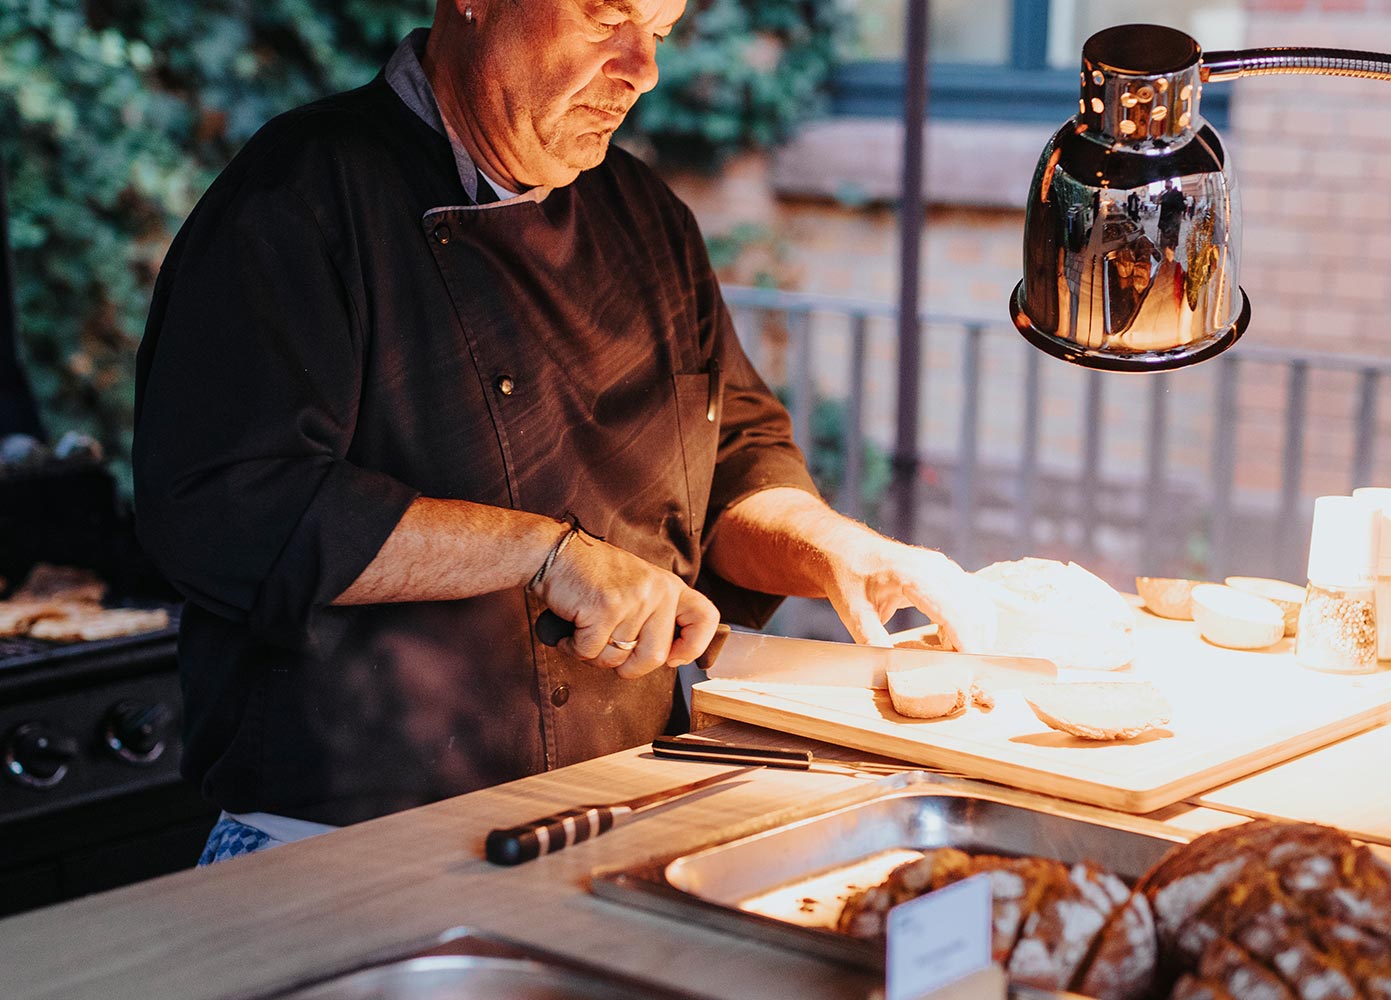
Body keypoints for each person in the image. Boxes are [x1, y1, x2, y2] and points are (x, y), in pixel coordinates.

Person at [132, 0, 996, 865]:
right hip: (339, 847)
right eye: (605, 14)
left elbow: (735, 462)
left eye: (658, 30)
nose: (643, 68)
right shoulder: (301, 195)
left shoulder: (648, 218)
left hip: (614, 814)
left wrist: (836, 551)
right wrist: (545, 556)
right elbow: (227, 504)